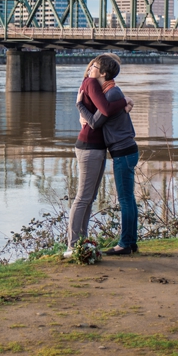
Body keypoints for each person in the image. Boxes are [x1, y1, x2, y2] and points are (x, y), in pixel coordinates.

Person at [65, 55, 132, 258]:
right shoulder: (91, 82)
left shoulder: (101, 86)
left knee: (89, 197)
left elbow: (104, 109)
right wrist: (124, 101)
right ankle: (72, 246)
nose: (90, 67)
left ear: (103, 72)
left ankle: (81, 243)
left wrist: (124, 102)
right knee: (83, 198)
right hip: (89, 146)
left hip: (96, 146)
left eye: (95, 65)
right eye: (92, 65)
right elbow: (100, 115)